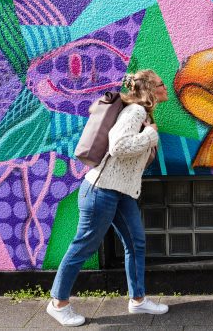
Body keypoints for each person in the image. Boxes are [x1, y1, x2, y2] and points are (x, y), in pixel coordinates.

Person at [46, 70, 170, 327]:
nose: (165, 86)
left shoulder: (140, 113)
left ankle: (138, 300)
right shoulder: (135, 112)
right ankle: (58, 303)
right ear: (149, 89)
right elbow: (118, 146)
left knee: (136, 243)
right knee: (83, 246)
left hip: (120, 193)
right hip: (101, 191)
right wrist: (150, 135)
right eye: (161, 84)